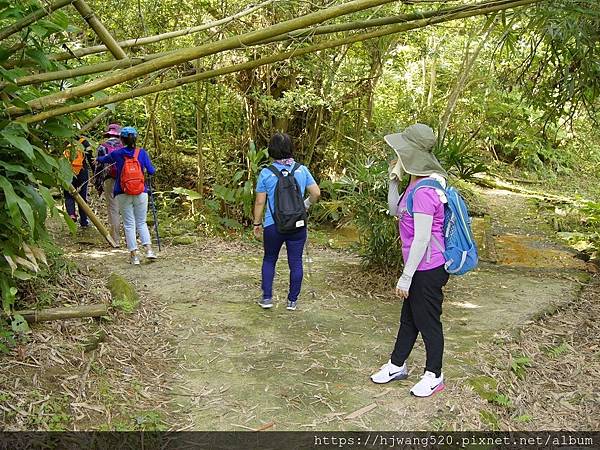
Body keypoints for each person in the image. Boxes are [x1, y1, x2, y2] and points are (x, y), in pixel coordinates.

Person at [370, 123, 450, 398]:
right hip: (418, 266)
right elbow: (395, 209)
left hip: (428, 268)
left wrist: (406, 276)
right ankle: (397, 364)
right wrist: (394, 178)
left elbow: (423, 238)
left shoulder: (427, 191)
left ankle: (435, 375)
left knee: (428, 322)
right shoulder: (415, 183)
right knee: (409, 319)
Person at [253, 133, 320, 311]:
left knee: (269, 259)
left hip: (273, 225)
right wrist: (305, 205)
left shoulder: (266, 173)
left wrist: (256, 223)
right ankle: (292, 301)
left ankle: (267, 298)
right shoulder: (301, 170)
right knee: (296, 262)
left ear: (271, 150)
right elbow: (316, 193)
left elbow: (260, 202)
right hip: (297, 224)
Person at [96, 126, 158, 265]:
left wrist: (97, 159)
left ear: (121, 139)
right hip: (141, 192)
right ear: (135, 139)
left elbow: (103, 159)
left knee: (129, 224)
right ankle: (149, 250)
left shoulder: (117, 153)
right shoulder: (141, 153)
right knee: (141, 222)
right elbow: (152, 171)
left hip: (122, 191)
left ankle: (134, 256)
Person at [95, 123, 123, 246]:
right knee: (126, 209)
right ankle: (130, 239)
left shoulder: (103, 147)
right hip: (125, 180)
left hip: (109, 179)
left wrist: (97, 183)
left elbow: (99, 167)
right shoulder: (125, 146)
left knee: (113, 209)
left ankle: (115, 240)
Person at [63, 136, 94, 228]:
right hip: (82, 171)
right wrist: (94, 170)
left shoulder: (64, 141)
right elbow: (90, 157)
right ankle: (84, 220)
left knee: (68, 195)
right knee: (82, 196)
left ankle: (71, 214)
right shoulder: (84, 142)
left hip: (68, 171)